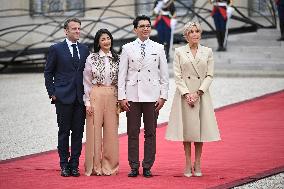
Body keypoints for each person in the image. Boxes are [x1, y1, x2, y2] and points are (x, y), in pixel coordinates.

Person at [165, 21, 221, 177]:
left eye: (197, 31)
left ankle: (198, 162)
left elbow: (210, 75)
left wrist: (199, 92)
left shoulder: (208, 51)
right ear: (186, 35)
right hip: (185, 96)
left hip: (201, 95)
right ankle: (187, 162)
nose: (195, 34)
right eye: (191, 32)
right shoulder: (179, 52)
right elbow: (177, 75)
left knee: (199, 130)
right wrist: (186, 93)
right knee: (188, 131)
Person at [118, 15, 169, 178]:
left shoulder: (158, 48)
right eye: (142, 26)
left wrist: (163, 96)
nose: (146, 28)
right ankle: (134, 166)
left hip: (152, 96)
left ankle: (147, 166)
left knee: (150, 133)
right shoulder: (127, 48)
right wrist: (121, 97)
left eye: (148, 26)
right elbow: (122, 74)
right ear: (135, 29)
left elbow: (164, 75)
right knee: (132, 132)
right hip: (132, 96)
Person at [44, 18, 90, 177]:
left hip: (80, 98)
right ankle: (64, 164)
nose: (77, 31)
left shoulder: (85, 49)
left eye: (79, 28)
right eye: (74, 29)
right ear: (66, 31)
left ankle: (74, 165)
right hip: (63, 97)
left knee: (78, 133)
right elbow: (48, 72)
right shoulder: (56, 49)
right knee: (64, 132)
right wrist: (52, 93)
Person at [83, 29, 120, 176]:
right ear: (98, 42)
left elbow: (122, 81)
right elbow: (86, 82)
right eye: (103, 39)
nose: (106, 41)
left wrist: (121, 99)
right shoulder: (91, 58)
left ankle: (110, 166)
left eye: (108, 38)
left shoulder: (118, 58)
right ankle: (94, 166)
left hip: (112, 95)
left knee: (112, 132)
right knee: (94, 132)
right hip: (95, 95)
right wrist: (87, 102)